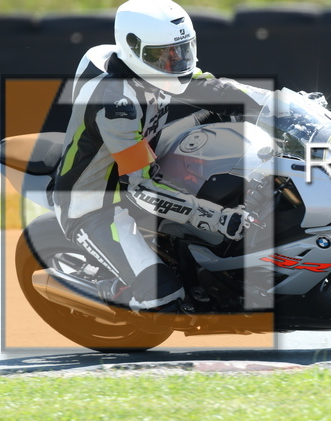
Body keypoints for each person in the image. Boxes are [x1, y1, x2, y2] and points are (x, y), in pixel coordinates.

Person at [52, 0, 265, 313]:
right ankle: (111, 291)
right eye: (162, 55)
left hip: (141, 159)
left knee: (219, 122)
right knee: (163, 298)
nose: (174, 63)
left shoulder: (153, 71)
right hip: (97, 204)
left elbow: (219, 91)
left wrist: (283, 106)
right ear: (133, 49)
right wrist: (217, 218)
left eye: (181, 51)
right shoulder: (116, 106)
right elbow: (143, 189)